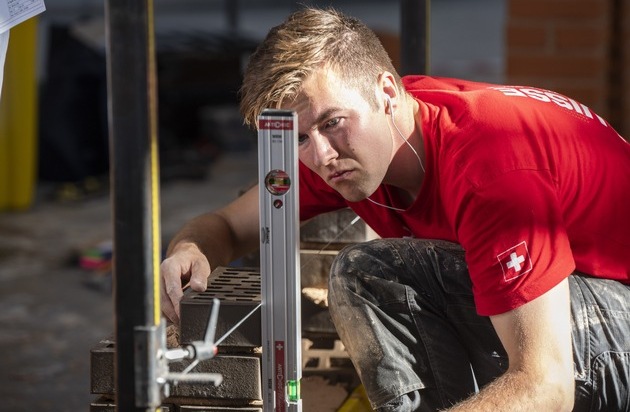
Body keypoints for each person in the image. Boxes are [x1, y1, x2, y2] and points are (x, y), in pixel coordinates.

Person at [160, 7, 630, 411]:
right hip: (585, 300)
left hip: (618, 319)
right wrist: (190, 249)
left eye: (332, 123)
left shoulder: (490, 169)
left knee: (369, 272)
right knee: (384, 272)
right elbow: (225, 224)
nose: (319, 155)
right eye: (299, 137)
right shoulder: (352, 148)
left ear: (386, 91)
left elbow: (547, 384)